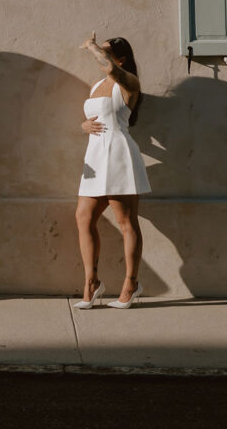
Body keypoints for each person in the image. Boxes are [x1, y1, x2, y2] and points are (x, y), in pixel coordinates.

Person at [74, 32, 150, 309]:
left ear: (121, 59)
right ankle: (92, 282)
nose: (100, 57)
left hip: (118, 154)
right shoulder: (97, 85)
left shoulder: (129, 82)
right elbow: (94, 117)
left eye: (107, 52)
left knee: (126, 222)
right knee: (83, 217)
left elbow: (109, 68)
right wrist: (83, 126)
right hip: (94, 156)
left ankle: (131, 282)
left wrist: (92, 45)